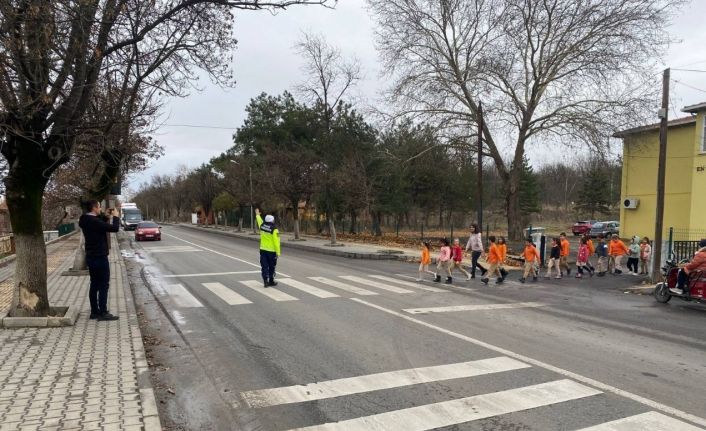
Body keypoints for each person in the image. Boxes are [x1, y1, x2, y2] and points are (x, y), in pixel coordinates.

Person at [78, 200, 120, 321]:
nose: (101, 209)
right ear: (95, 208)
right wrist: (116, 217)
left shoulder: (84, 220)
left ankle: (94, 312)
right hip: (100, 256)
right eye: (99, 207)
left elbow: (100, 226)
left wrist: (106, 217)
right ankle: (103, 312)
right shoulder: (95, 221)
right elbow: (114, 228)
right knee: (103, 284)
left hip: (90, 256)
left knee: (94, 284)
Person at [255, 208, 281, 287]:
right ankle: (271, 281)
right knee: (271, 267)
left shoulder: (262, 226)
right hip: (272, 252)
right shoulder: (274, 229)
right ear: (272, 221)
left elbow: (259, 221)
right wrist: (278, 252)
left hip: (263, 250)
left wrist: (257, 214)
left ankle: (265, 281)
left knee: (264, 266)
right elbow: (276, 242)